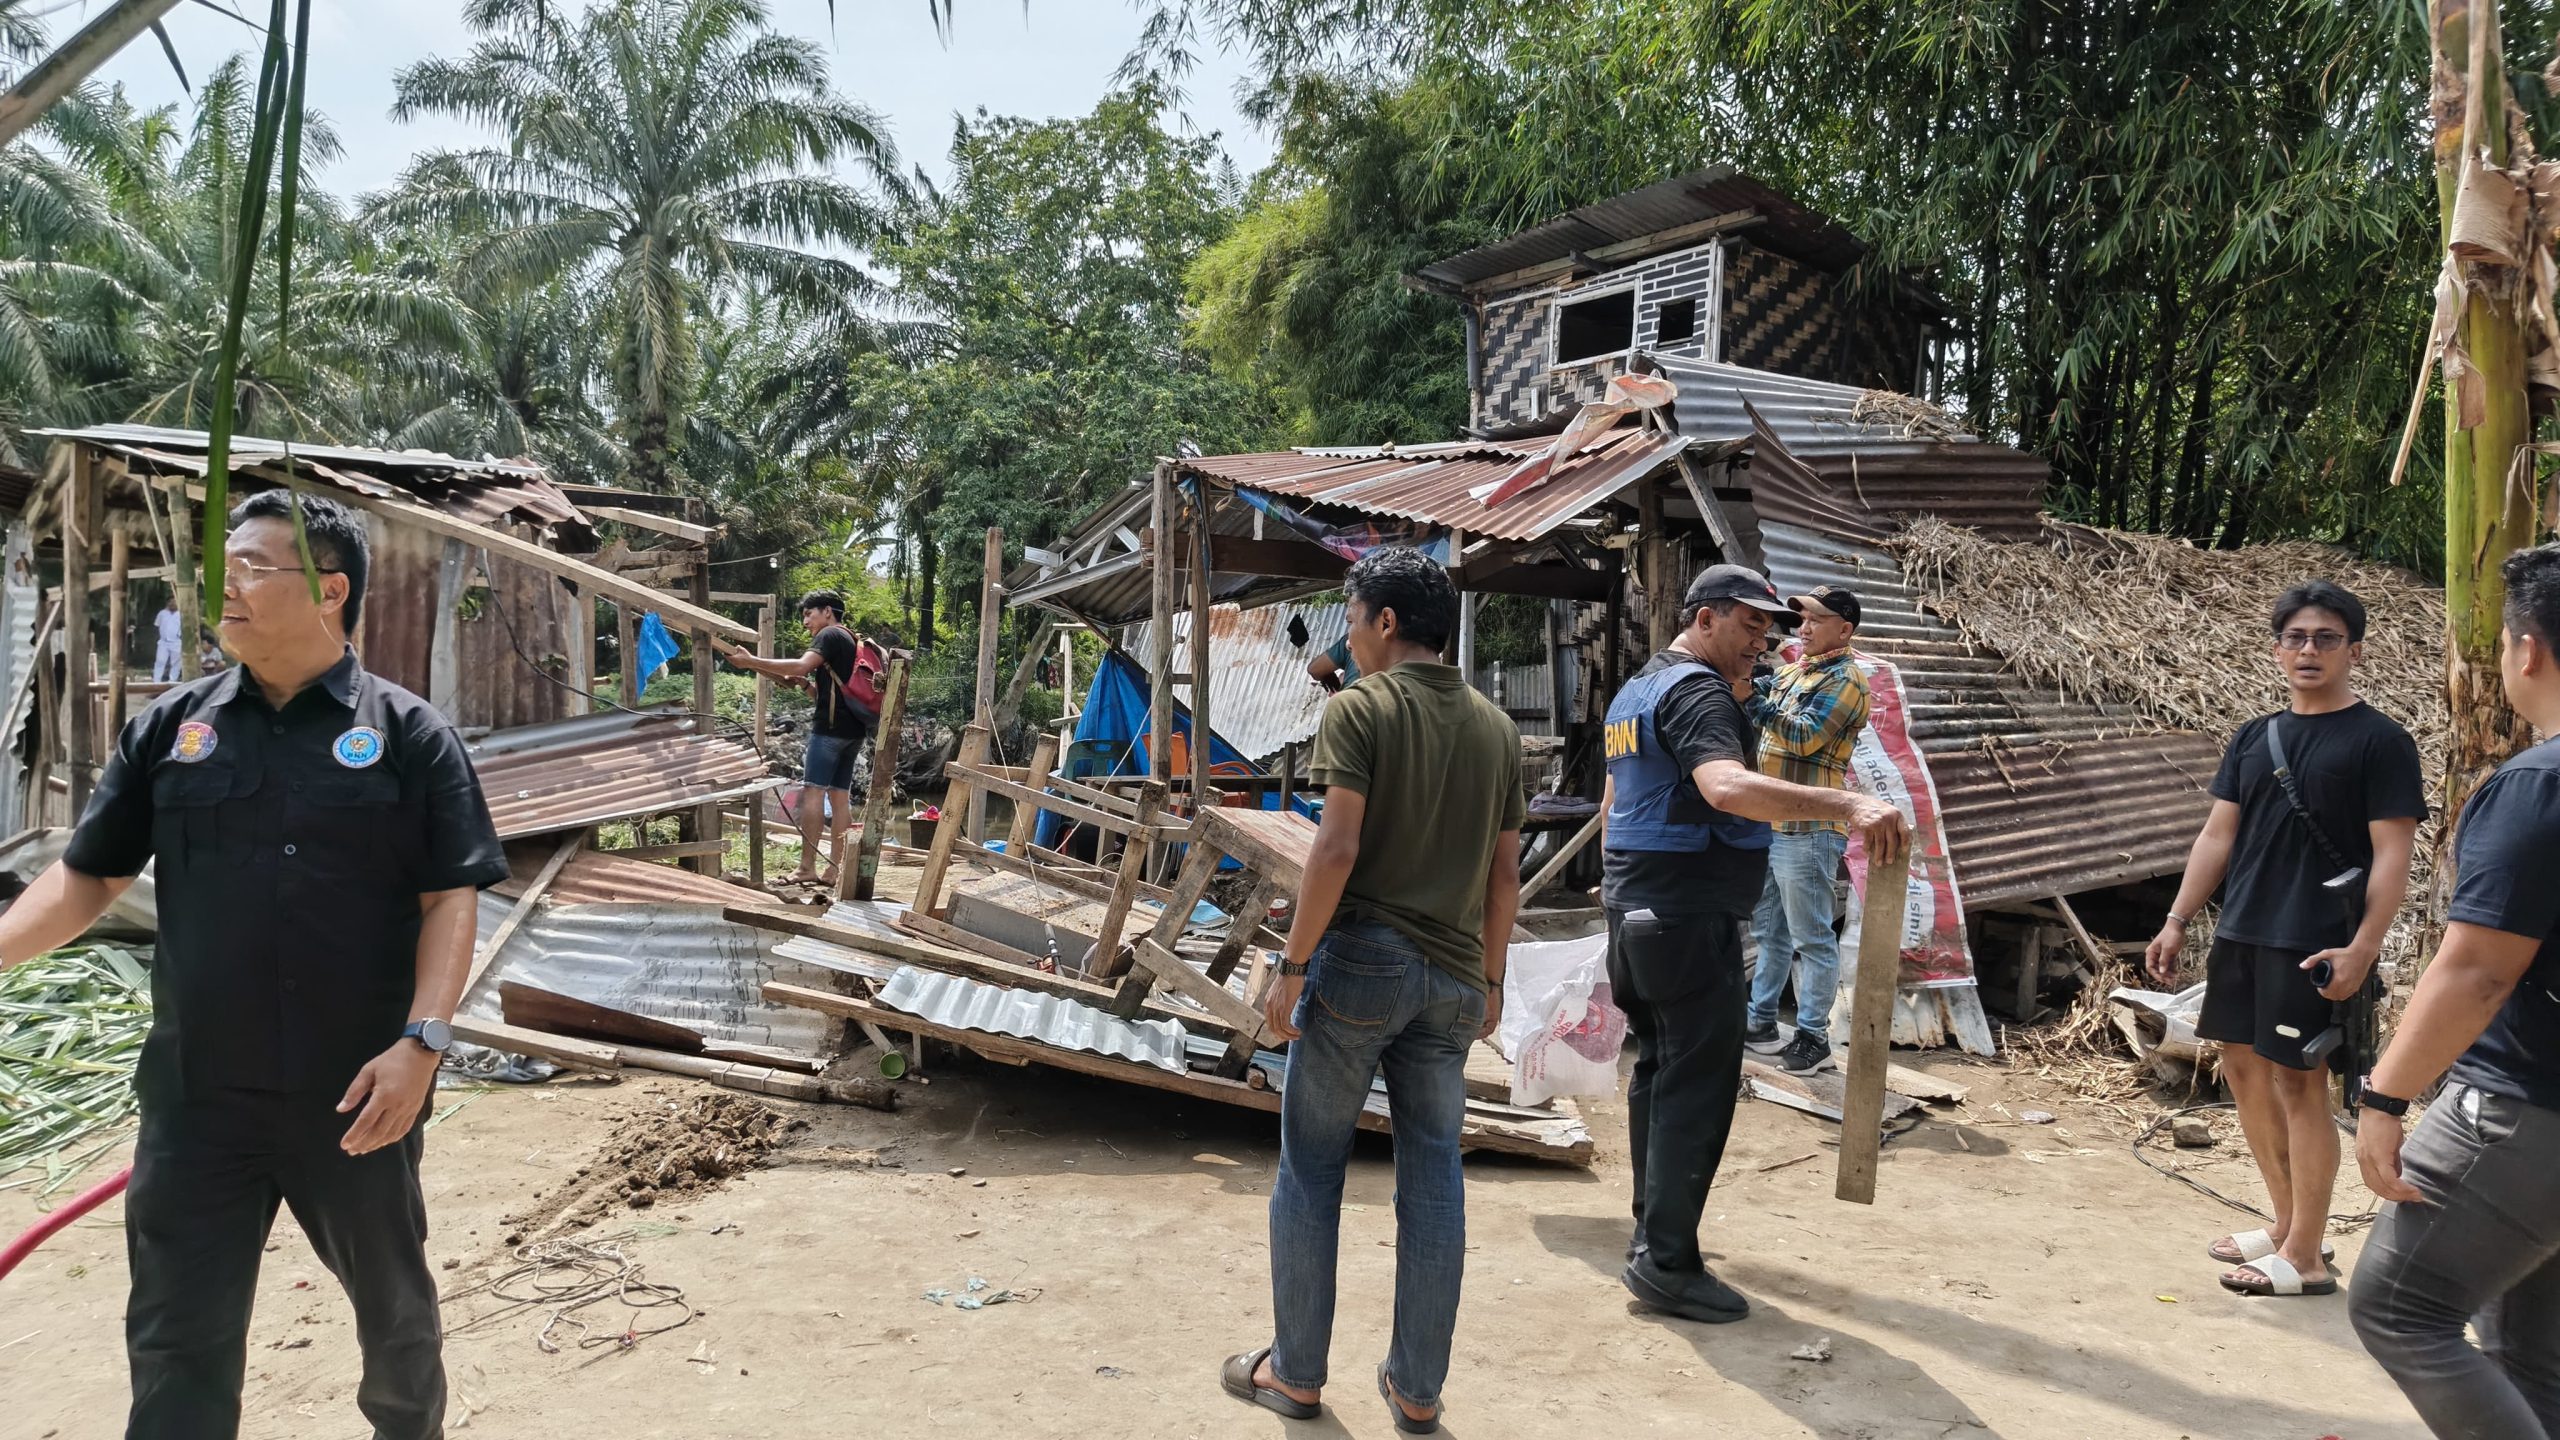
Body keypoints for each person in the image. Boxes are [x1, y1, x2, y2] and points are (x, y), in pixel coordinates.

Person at [0, 489, 508, 1439]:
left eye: (252, 566)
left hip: (357, 1097)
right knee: (175, 1342)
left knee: (394, 1323)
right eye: (221, 563)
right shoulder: (172, 730)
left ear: (331, 591)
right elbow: (85, 878)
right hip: (198, 1101)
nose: (220, 583)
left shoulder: (407, 736)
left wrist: (422, 1042)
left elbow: (452, 896)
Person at [1221, 547, 1521, 1434]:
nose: (1348, 639)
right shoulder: (1498, 730)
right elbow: (1505, 875)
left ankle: (1296, 1374)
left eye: (1352, 620)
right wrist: (1493, 978)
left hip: (1363, 966)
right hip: (1456, 979)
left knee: (1312, 1166)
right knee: (1434, 1178)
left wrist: (1295, 962)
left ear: (1385, 622)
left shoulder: (1361, 708)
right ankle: (1416, 1387)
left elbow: (1337, 850)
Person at [1600, 564, 1909, 1324]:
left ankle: (1652, 1235)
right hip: (1685, 915)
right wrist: (1849, 802)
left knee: (1660, 1073)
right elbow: (1727, 789)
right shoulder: (1699, 693)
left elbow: (1614, 800)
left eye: (1770, 627)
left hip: (1636, 908)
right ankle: (1667, 1263)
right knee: (1698, 1087)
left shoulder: (1641, 686)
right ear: (1704, 618)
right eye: (1748, 624)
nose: (1762, 640)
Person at [2144, 580, 2423, 1299]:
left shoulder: (2380, 741)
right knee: (2241, 1069)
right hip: (2244, 928)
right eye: (2295, 638)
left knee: (2301, 1085)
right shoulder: (2254, 735)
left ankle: (2303, 1257)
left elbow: (2393, 854)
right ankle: (2287, 1220)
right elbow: (2218, 835)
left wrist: (2363, 947)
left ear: (2354, 651)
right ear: (2275, 649)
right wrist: (2178, 917)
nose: (2308, 650)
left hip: (2317, 939)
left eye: (2326, 638)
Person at [2349, 543, 2560, 1436]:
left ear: (2527, 651)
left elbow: (2476, 972)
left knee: (2400, 1305)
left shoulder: (2536, 786)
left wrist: (2383, 1095)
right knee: (2530, 1343)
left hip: (2525, 1110)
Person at [1742, 584, 1872, 1076]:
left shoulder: (1848, 680)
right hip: (1774, 821)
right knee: (1769, 931)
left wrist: (1754, 695)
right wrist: (1763, 685)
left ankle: (1814, 1037)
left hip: (1812, 827)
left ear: (1845, 629)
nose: (1805, 627)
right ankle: (1759, 1023)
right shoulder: (1797, 669)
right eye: (1803, 619)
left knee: (1812, 937)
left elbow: (1802, 737)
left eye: (1817, 620)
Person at [716, 591, 872, 886]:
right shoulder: (851, 639)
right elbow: (823, 691)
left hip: (828, 732)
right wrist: (805, 686)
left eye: (808, 614)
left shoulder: (829, 636)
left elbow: (801, 665)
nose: (805, 622)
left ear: (827, 611)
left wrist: (752, 661)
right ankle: (835, 870)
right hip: (853, 732)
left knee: (813, 792)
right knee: (839, 798)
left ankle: (806, 868)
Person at [151, 594, 184, 683]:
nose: (172, 604)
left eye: (174, 602)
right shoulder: (162, 613)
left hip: (176, 642)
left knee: (176, 663)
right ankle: (156, 681)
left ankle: (172, 680)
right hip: (163, 642)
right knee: (160, 661)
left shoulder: (181, 614)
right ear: (167, 603)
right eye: (170, 602)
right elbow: (157, 625)